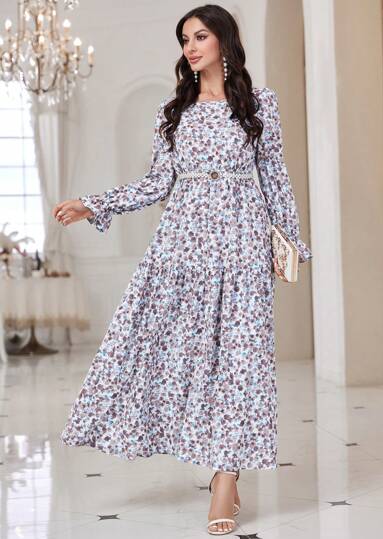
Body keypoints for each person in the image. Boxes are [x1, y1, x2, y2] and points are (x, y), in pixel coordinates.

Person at [53, 4, 313, 536]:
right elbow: (156, 183)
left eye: (200, 36)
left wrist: (290, 245)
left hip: (242, 241)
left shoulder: (260, 105)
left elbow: (276, 178)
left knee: (241, 361)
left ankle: (226, 478)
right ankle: (199, 452)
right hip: (184, 244)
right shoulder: (173, 111)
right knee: (172, 350)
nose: (191, 47)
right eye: (185, 39)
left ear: (223, 40)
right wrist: (93, 204)